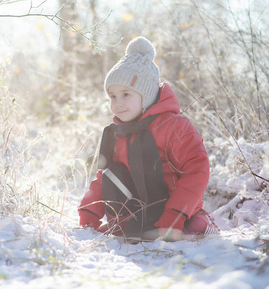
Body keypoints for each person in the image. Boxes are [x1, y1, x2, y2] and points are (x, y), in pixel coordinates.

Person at [78, 36, 219, 242]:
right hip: (139, 214)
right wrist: (90, 211)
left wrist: (176, 214)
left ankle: (199, 224)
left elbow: (196, 169)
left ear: (147, 94)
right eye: (113, 96)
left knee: (189, 227)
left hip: (175, 210)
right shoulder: (118, 133)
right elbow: (106, 175)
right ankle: (138, 227)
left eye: (126, 94)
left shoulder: (174, 126)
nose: (117, 103)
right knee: (123, 230)